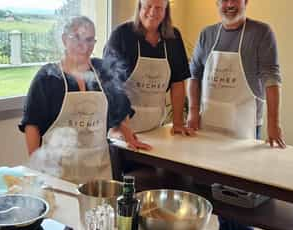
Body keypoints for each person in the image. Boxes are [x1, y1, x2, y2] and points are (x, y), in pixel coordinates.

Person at [187, 0, 285, 230]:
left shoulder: (261, 33)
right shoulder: (207, 34)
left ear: (245, 2)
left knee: (241, 199)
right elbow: (194, 74)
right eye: (224, 0)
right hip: (211, 129)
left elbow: (272, 79)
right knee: (219, 196)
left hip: (245, 129)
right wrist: (192, 112)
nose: (230, 4)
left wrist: (274, 123)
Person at [19, 16, 151, 185]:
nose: (84, 46)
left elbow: (120, 107)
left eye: (89, 40)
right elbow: (32, 125)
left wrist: (128, 136)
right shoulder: (48, 77)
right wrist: (36, 169)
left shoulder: (102, 71)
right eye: (77, 38)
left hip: (99, 173)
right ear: (64, 39)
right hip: (59, 174)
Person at [103, 0, 194, 136]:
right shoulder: (121, 35)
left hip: (156, 126)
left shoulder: (173, 38)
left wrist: (178, 123)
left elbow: (178, 82)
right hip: (122, 129)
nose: (152, 12)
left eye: (158, 8)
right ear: (139, 6)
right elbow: (110, 85)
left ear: (166, 10)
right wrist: (122, 127)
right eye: (148, 7)